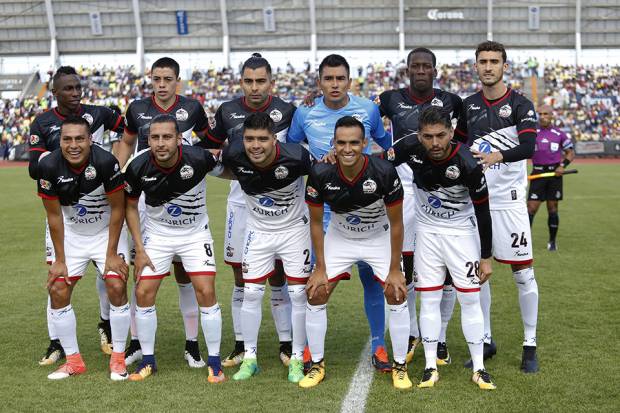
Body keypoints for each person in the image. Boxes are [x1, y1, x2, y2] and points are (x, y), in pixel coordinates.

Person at [288, 54, 394, 372]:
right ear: (319, 82)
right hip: (327, 212)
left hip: (367, 210)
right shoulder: (305, 112)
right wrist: (319, 164)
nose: (335, 84)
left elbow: (386, 147)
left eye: (340, 78)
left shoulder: (368, 109)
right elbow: (293, 151)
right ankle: (310, 350)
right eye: (328, 78)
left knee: (373, 282)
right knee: (318, 284)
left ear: (349, 80)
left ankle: (378, 345)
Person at [384, 107, 497, 390]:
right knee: (429, 300)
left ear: (451, 131)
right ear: (419, 134)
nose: (434, 143)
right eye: (428, 136)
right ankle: (430, 367)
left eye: (441, 136)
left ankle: (479, 368)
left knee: (470, 300)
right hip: (427, 235)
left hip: (461, 235)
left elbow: (484, 212)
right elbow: (379, 164)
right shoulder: (409, 146)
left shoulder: (468, 163)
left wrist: (485, 258)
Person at [301, 116, 411, 389]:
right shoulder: (320, 173)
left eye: (354, 143)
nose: (347, 149)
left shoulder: (384, 171)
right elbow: (316, 223)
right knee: (316, 292)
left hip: (378, 237)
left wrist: (396, 269)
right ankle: (316, 363)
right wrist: (321, 268)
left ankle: (400, 366)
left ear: (365, 143)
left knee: (396, 293)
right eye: (341, 143)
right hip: (340, 237)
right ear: (333, 144)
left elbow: (397, 223)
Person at [115, 57, 211, 368]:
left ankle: (192, 343)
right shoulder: (137, 108)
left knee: (186, 272)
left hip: (181, 193)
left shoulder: (192, 109)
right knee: (141, 271)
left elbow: (209, 144)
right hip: (146, 194)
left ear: (176, 81)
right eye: (156, 78)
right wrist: (118, 172)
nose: (161, 84)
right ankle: (137, 342)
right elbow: (127, 142)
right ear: (151, 80)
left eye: (167, 79)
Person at [203, 53, 297, 368]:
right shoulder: (227, 111)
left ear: (271, 82)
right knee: (241, 274)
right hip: (241, 201)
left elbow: (297, 152)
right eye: (248, 81)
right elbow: (211, 147)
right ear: (241, 81)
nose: (254, 87)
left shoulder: (287, 112)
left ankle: (287, 343)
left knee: (280, 274)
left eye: (260, 81)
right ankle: (242, 345)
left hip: (281, 204)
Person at [28, 66, 125, 366]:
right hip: (65, 210)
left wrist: (115, 165)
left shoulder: (99, 114)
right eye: (67, 89)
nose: (75, 93)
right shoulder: (42, 123)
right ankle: (57, 342)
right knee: (58, 279)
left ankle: (107, 326)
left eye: (77, 87)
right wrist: (62, 173)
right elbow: (35, 167)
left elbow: (127, 130)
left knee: (110, 276)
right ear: (54, 92)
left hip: (101, 205)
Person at [378, 47, 465, 365]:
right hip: (404, 193)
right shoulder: (389, 98)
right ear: (407, 69)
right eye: (415, 66)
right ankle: (414, 333)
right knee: (408, 269)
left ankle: (440, 338)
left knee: (447, 271)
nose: (420, 71)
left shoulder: (452, 101)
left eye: (426, 66)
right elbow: (365, 119)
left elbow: (463, 141)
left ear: (435, 71)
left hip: (441, 192)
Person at [457, 41, 539, 373]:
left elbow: (529, 145)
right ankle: (487, 339)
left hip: (510, 205)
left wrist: (498, 155)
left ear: (505, 66)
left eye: (494, 61)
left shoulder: (520, 104)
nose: (488, 66)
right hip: (477, 204)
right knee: (480, 275)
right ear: (475, 67)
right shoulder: (467, 106)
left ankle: (530, 343)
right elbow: (460, 146)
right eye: (483, 61)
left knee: (523, 274)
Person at [123, 114, 224, 382]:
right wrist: (140, 248)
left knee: (206, 291)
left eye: (167, 137)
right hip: (158, 236)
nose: (160, 143)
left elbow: (232, 170)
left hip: (195, 235)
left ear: (179, 138)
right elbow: (130, 207)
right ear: (148, 140)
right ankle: (147, 360)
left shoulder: (199, 158)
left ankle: (215, 363)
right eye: (154, 137)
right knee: (143, 292)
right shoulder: (138, 165)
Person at [219, 113, 312, 383]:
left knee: (297, 294)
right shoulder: (234, 153)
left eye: (262, 139)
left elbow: (321, 175)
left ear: (274, 139)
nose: (255, 145)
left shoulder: (296, 156)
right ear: (242, 140)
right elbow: (217, 166)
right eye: (250, 139)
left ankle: (297, 358)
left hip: (294, 231)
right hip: (258, 233)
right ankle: (250, 358)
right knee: (250, 293)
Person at [37, 116, 129, 380]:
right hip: (73, 235)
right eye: (67, 139)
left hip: (105, 234)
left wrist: (111, 254)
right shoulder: (49, 166)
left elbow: (118, 209)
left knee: (116, 285)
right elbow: (54, 217)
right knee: (57, 288)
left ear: (90, 140)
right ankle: (74, 361)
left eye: (80, 139)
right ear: (60, 141)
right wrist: (60, 259)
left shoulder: (105, 162)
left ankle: (119, 359)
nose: (73, 145)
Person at [527, 104, 575, 251]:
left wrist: (562, 166)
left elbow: (570, 153)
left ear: (551, 115)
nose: (542, 117)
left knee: (552, 208)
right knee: (530, 208)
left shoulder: (560, 134)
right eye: (540, 114)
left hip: (554, 175)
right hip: (538, 173)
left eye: (545, 114)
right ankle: (525, 243)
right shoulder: (531, 133)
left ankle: (552, 241)